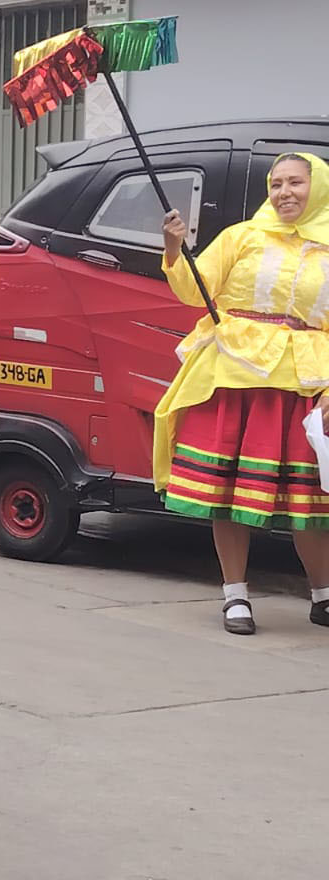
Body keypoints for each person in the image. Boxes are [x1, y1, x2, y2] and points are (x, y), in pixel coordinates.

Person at [155, 151, 329, 635]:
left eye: (295, 182)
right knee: (228, 491)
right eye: (276, 183)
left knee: (310, 500)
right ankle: (235, 595)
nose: (284, 192)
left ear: (319, 187)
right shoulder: (242, 236)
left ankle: (323, 595)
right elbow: (196, 291)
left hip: (304, 384)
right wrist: (174, 248)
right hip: (234, 376)